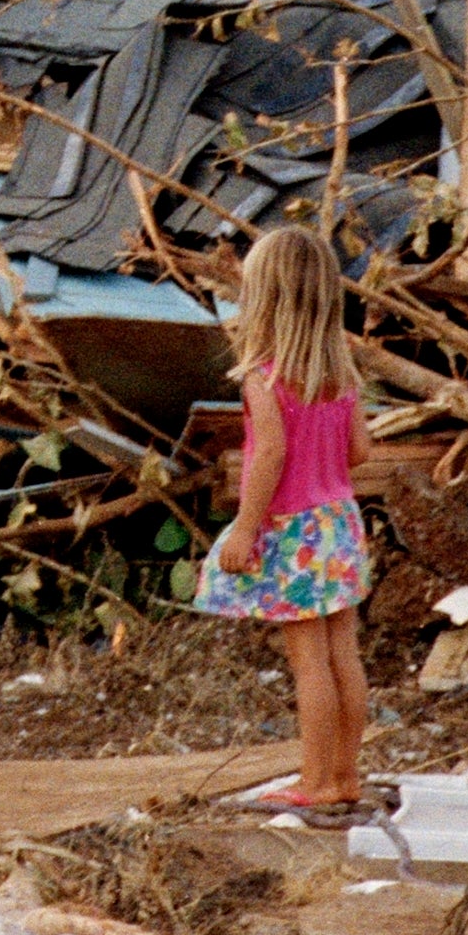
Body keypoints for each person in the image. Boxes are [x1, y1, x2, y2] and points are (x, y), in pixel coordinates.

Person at [201, 225, 377, 821]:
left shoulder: (265, 377)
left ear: (264, 299)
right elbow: (361, 453)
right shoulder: (342, 373)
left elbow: (270, 456)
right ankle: (346, 774)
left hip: (294, 528)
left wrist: (246, 529)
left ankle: (315, 781)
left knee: (308, 663)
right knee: (343, 656)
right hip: (339, 523)